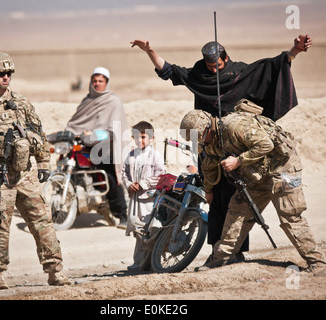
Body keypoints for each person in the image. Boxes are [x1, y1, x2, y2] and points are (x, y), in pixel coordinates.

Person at [131, 35, 313, 261]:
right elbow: (168, 70)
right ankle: (218, 251)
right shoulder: (199, 76)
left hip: (238, 146)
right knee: (214, 198)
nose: (214, 71)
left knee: (236, 199)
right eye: (210, 66)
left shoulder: (240, 73)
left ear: (225, 58)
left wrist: (294, 51)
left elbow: (271, 66)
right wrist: (149, 51)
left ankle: (236, 252)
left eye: (217, 65)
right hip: (209, 145)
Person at [0, 52, 70, 289]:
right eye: (0, 73)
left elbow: (38, 132)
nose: (6, 77)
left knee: (43, 222)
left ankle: (55, 271)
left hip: (26, 174)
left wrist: (44, 163)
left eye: (9, 73)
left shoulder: (22, 103)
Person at [179, 102, 326, 276]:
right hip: (256, 175)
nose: (200, 142)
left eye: (199, 137)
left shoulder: (234, 126)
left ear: (206, 128)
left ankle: (318, 264)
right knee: (237, 213)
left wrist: (238, 161)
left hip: (282, 169)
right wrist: (209, 190)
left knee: (291, 216)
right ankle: (220, 259)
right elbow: (209, 166)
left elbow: (266, 145)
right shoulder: (211, 141)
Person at [54, 67, 129, 228]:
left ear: (106, 83)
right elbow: (76, 123)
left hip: (106, 146)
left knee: (109, 176)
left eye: (101, 81)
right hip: (84, 144)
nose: (97, 84)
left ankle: (122, 215)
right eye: (94, 80)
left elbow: (114, 128)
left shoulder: (113, 101)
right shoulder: (86, 101)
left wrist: (94, 134)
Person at [121, 121, 165, 270]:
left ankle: (151, 260)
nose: (139, 140)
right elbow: (124, 173)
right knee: (137, 229)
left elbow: (160, 175)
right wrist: (129, 184)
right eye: (136, 137)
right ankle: (138, 261)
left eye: (143, 137)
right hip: (135, 198)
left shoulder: (156, 156)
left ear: (151, 138)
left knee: (149, 229)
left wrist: (143, 183)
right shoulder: (131, 155)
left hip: (149, 199)